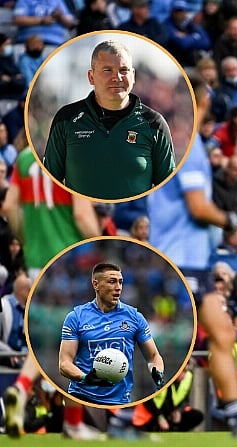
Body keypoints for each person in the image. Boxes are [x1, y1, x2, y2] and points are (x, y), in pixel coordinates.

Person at [147, 77, 237, 437]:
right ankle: (119, 417)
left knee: (223, 335)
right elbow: (197, 207)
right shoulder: (186, 145)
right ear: (199, 101)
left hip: (192, 261)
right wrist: (229, 219)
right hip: (179, 262)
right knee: (160, 344)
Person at [2, 131, 103, 439]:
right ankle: (72, 422)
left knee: (53, 343)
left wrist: (29, 241)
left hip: (37, 263)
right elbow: (82, 214)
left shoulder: (24, 159)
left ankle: (20, 389)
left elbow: (8, 208)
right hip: (70, 263)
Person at [42, 40, 175, 200]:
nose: (117, 77)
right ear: (91, 77)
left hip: (134, 223)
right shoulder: (66, 119)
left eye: (123, 70)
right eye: (107, 70)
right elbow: (49, 186)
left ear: (133, 76)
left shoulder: (154, 123)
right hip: (79, 223)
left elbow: (169, 192)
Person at [58, 263, 165, 405]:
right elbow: (64, 363)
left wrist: (158, 372)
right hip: (81, 396)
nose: (118, 287)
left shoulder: (134, 317)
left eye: (121, 282)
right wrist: (84, 378)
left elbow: (153, 356)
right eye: (112, 282)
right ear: (96, 284)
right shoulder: (76, 317)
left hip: (120, 401)